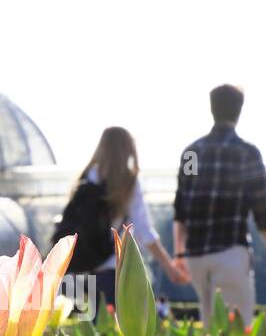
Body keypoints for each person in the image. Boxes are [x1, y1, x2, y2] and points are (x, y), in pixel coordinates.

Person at [173, 85, 266, 328]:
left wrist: (179, 253)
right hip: (230, 253)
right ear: (239, 110)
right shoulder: (247, 153)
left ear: (211, 108)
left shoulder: (192, 153)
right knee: (236, 331)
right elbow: (262, 212)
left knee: (209, 327)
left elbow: (181, 208)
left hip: (195, 256)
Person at [69, 126, 188, 305]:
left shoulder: (85, 178)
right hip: (115, 271)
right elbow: (144, 231)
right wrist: (169, 267)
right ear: (128, 150)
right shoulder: (126, 183)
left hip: (84, 272)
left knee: (93, 329)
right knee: (119, 329)